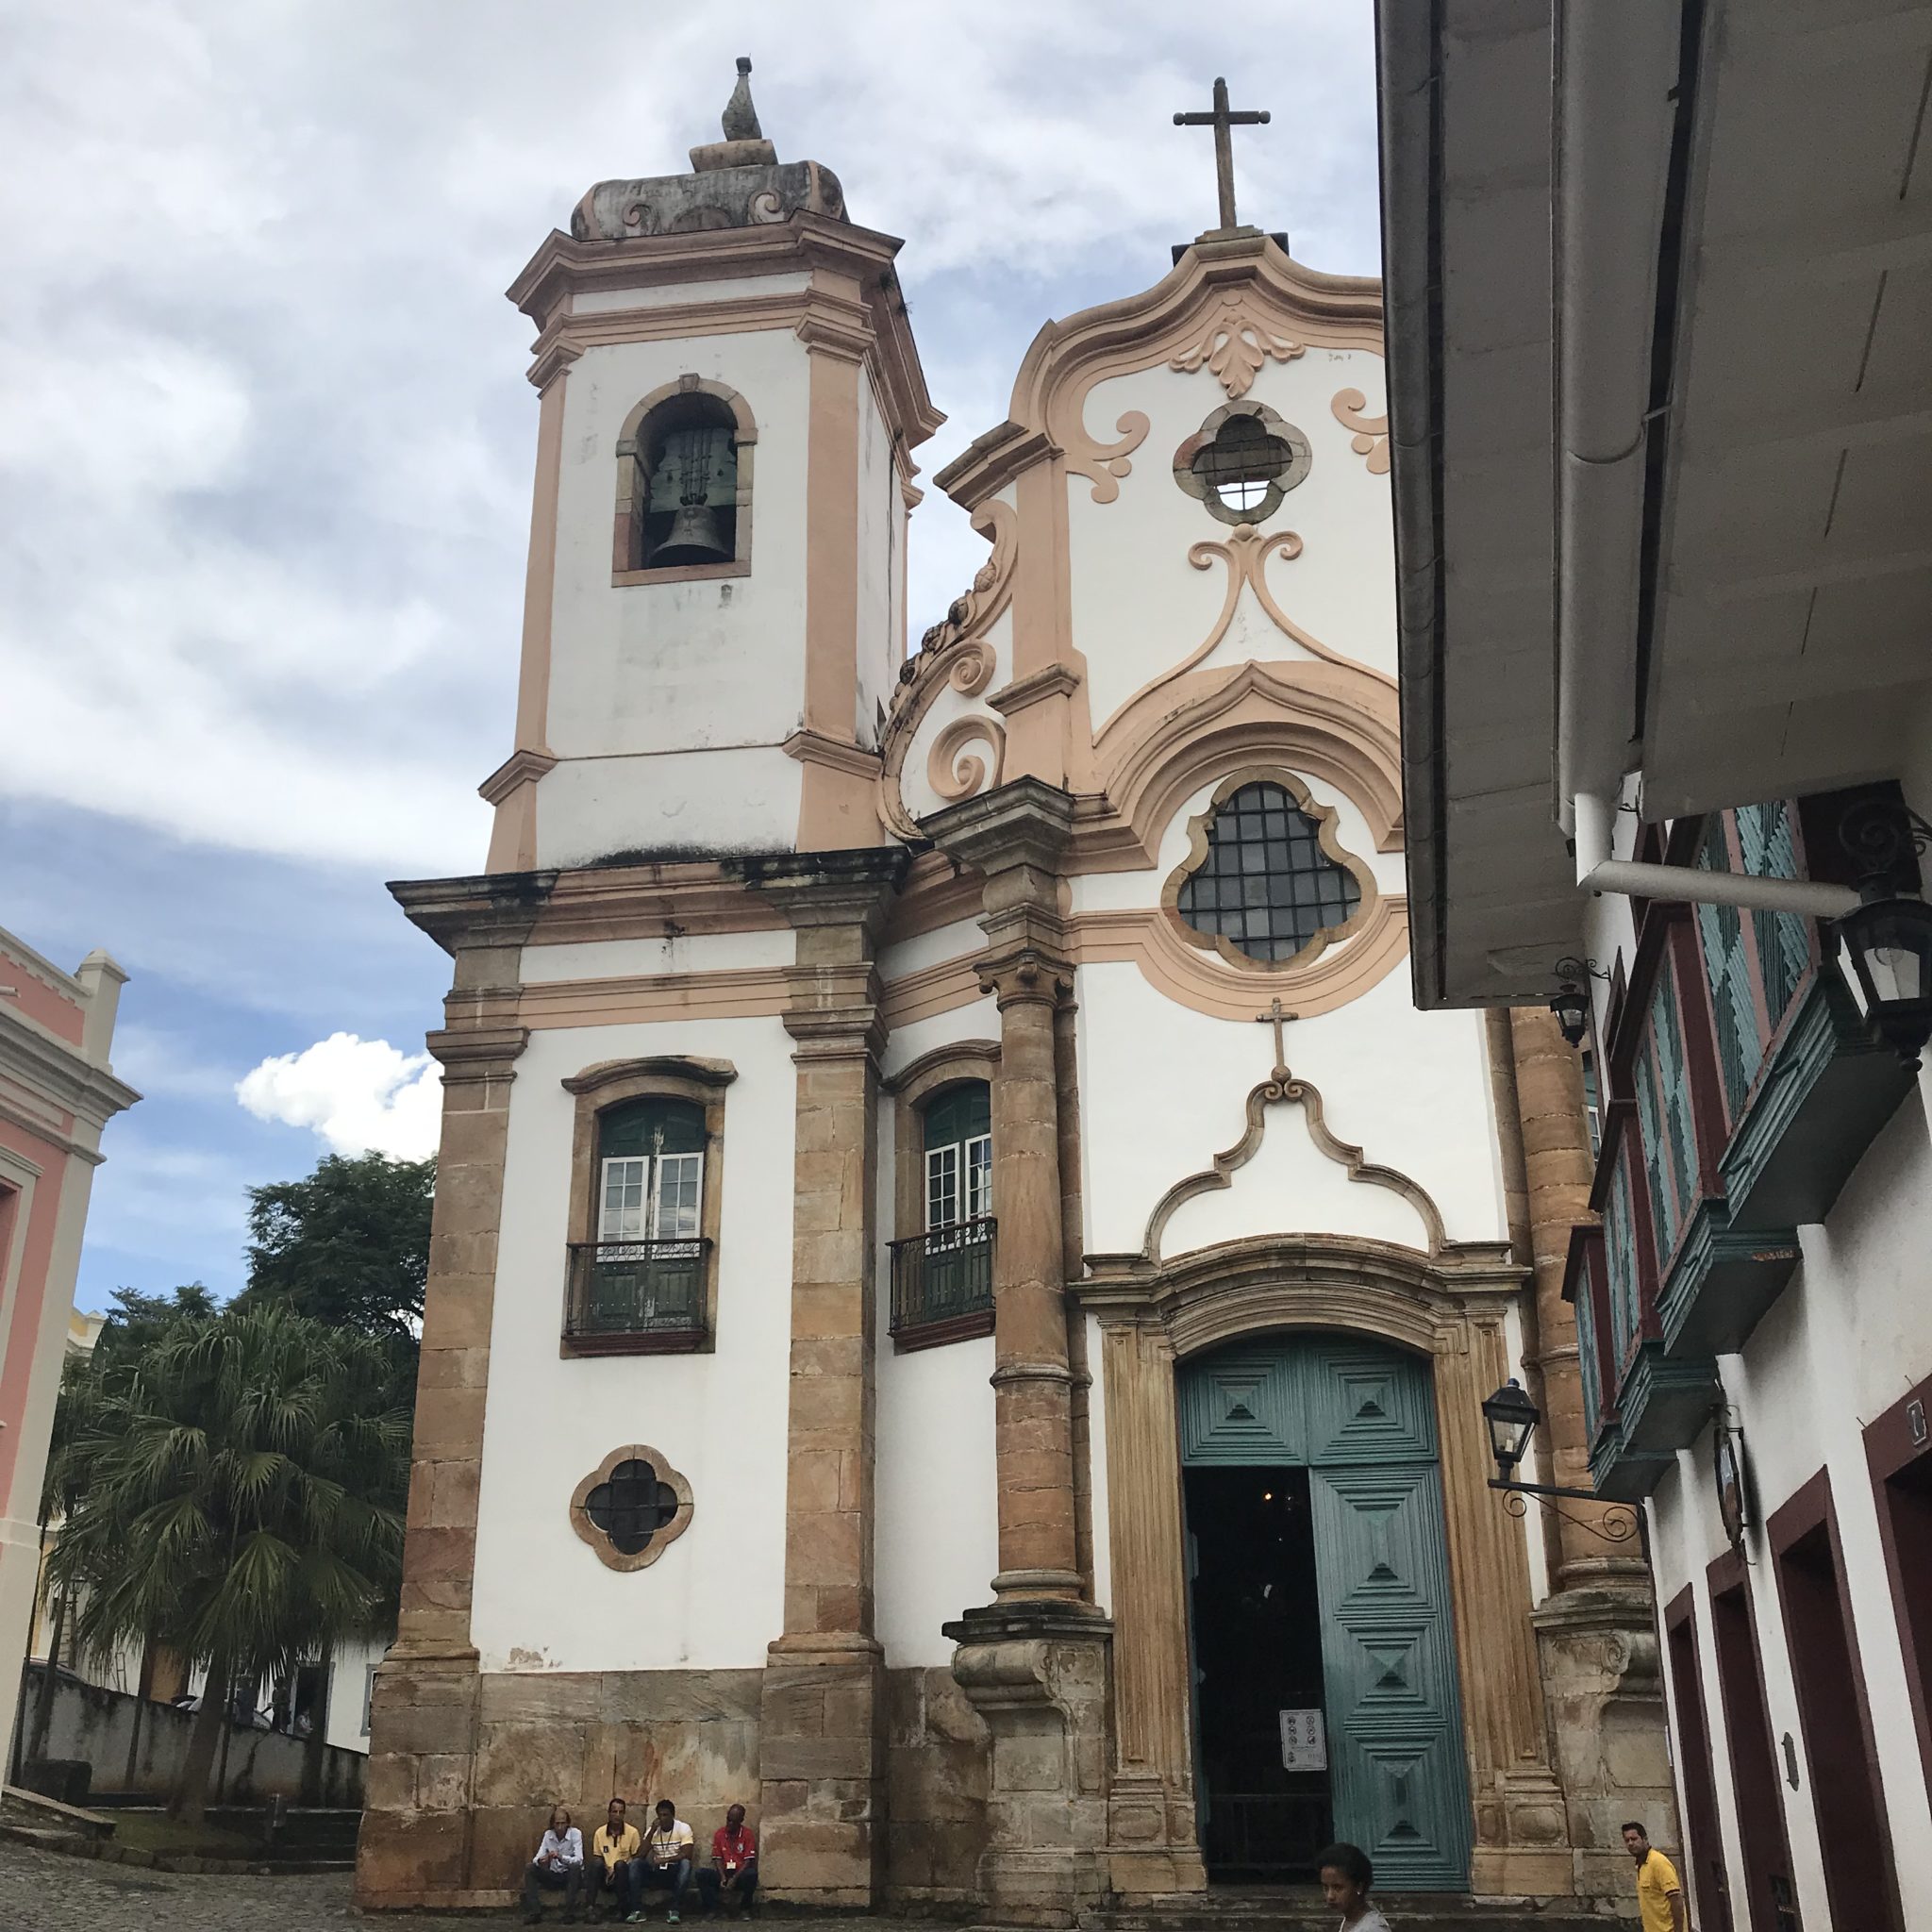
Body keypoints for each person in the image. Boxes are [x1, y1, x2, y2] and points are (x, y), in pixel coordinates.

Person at [523, 1805, 587, 1924]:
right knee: (530, 1868)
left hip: (569, 1875)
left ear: (568, 1823)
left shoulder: (575, 1834)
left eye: (563, 1823)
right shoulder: (548, 1835)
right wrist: (543, 1859)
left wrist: (561, 1857)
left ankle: (569, 1913)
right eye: (557, 1824)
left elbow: (579, 1860)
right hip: (553, 1874)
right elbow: (537, 1858)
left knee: (575, 1868)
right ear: (553, 1824)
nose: (560, 1827)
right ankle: (534, 1912)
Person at [1623, 1820, 1687, 1932]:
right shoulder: (1641, 1865)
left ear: (1645, 1839)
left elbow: (1676, 1900)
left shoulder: (1658, 1862)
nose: (1630, 1843)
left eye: (1634, 1839)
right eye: (1627, 1840)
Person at [639, 1798, 695, 1923]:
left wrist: (665, 1859)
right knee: (636, 1864)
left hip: (674, 1870)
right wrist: (652, 1831)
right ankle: (635, 1909)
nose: (662, 1818)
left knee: (686, 1864)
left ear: (672, 1816)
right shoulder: (653, 1831)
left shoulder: (683, 1828)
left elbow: (687, 1854)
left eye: (665, 1815)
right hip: (657, 1872)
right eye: (660, 1815)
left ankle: (675, 1909)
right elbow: (641, 1855)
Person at [695, 1803, 758, 1917]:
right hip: (724, 1873)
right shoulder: (720, 1834)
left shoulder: (747, 1834)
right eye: (728, 1820)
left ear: (741, 1821)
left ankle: (745, 1908)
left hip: (739, 1874)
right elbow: (717, 1858)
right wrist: (723, 1877)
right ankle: (712, 1908)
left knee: (752, 1874)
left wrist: (734, 1878)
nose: (730, 1824)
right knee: (701, 1874)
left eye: (734, 1821)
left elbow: (748, 1861)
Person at [587, 1797, 643, 1923]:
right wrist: (608, 1870)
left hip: (622, 1875)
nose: (617, 1815)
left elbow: (636, 1858)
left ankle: (622, 1909)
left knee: (620, 1865)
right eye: (614, 1812)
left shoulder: (632, 1832)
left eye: (620, 1812)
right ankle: (590, 1908)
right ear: (609, 1813)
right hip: (606, 1875)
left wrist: (616, 1870)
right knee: (595, 1865)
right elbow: (598, 1856)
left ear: (624, 1814)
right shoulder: (600, 1833)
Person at [1317, 1841, 1392, 1932]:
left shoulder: (1372, 1928)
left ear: (1359, 1887)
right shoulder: (1350, 1919)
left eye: (1338, 1888)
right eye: (1326, 1887)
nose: (1330, 1896)